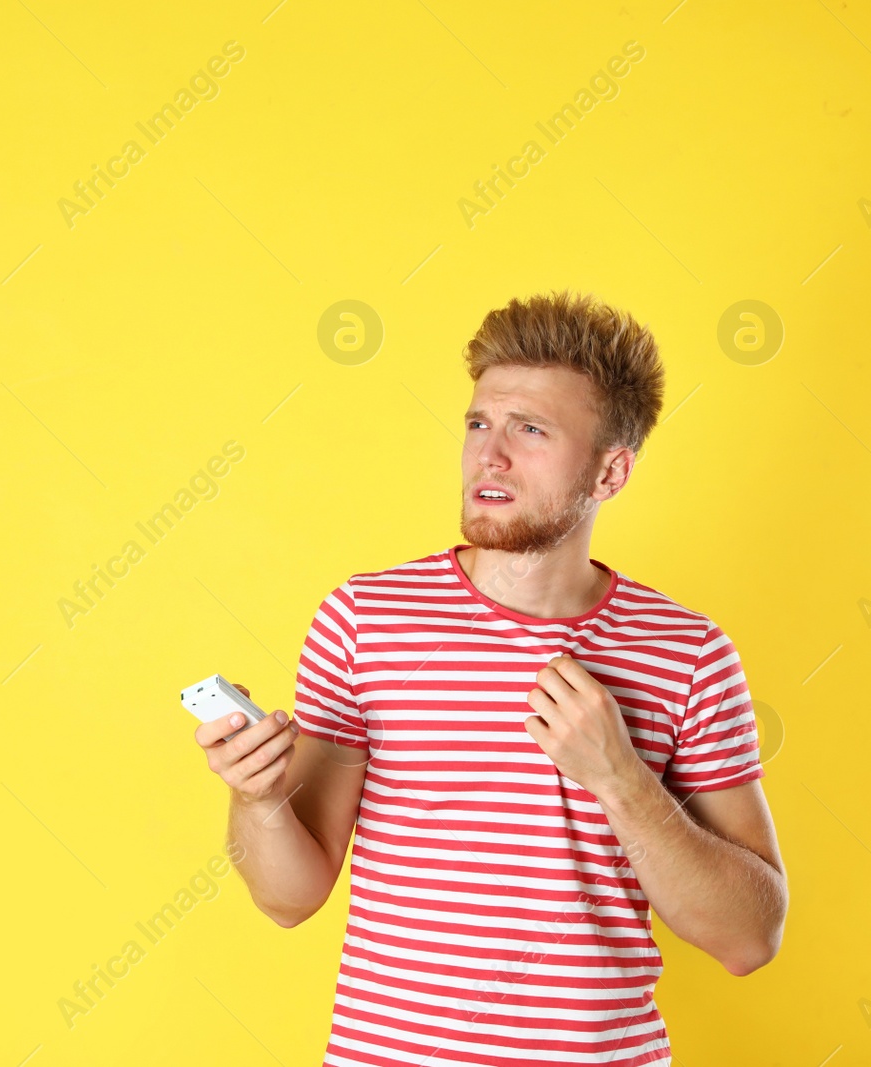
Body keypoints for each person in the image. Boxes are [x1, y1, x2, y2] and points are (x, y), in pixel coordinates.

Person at [196, 290, 786, 1066]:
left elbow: (749, 937)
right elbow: (289, 898)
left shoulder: (688, 651)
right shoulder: (364, 619)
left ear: (611, 471)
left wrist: (621, 779)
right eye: (479, 423)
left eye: (530, 430)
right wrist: (259, 799)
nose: (489, 455)